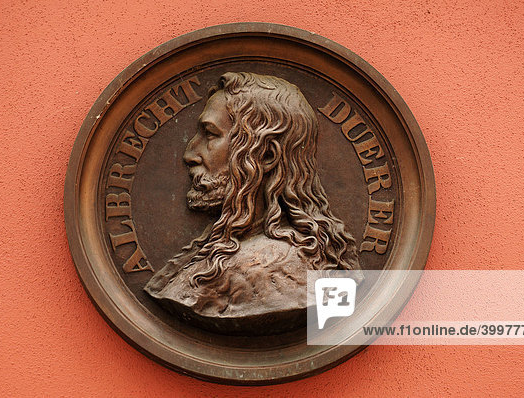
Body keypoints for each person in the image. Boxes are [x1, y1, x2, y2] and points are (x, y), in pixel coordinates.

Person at [144, 72, 362, 334]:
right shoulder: (222, 248)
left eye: (210, 135)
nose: (190, 153)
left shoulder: (268, 271)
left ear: (266, 155)